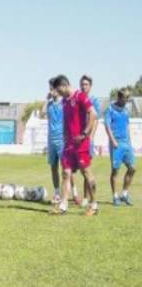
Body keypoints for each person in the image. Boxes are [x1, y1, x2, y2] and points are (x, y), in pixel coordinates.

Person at [49, 75, 99, 216]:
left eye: (59, 90)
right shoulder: (64, 101)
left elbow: (93, 114)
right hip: (69, 145)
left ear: (65, 86)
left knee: (86, 173)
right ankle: (63, 205)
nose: (59, 94)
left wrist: (84, 134)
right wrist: (65, 135)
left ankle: (94, 204)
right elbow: (66, 120)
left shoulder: (80, 96)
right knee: (65, 173)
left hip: (81, 144)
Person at [105, 89, 136, 206]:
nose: (127, 100)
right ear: (119, 97)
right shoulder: (110, 109)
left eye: (128, 98)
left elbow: (127, 125)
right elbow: (107, 126)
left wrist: (130, 142)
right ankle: (115, 196)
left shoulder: (126, 111)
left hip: (126, 143)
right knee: (115, 170)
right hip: (116, 143)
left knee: (132, 168)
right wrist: (113, 141)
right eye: (125, 98)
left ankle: (124, 193)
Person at [77, 75, 102, 206]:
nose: (83, 86)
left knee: (86, 168)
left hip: (87, 138)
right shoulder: (77, 99)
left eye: (86, 84)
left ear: (90, 86)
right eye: (82, 84)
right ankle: (86, 196)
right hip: (78, 139)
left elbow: (95, 119)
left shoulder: (94, 100)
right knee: (82, 169)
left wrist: (91, 136)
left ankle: (88, 198)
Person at [40, 79, 64, 204]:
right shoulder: (49, 104)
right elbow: (41, 113)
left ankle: (73, 193)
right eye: (50, 88)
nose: (52, 91)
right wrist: (46, 99)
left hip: (62, 140)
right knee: (54, 168)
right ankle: (57, 193)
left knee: (66, 168)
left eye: (53, 88)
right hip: (51, 141)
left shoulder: (64, 103)